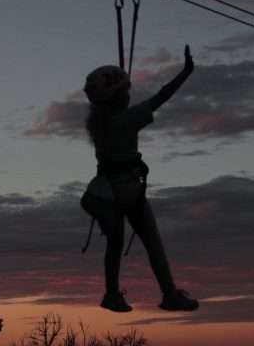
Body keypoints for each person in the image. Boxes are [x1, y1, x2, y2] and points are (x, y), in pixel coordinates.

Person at [80, 45, 198, 313]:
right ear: (117, 96)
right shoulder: (127, 120)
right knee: (152, 241)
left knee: (115, 244)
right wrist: (186, 72)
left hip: (107, 192)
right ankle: (169, 294)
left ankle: (112, 294)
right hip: (128, 189)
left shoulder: (98, 122)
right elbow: (162, 97)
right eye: (125, 91)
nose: (128, 95)